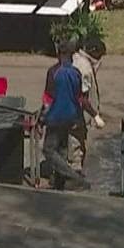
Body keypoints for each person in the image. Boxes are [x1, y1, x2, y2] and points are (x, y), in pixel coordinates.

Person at [41, 39, 90, 190]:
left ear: (58, 53)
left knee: (48, 149)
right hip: (71, 116)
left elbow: (48, 100)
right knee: (62, 149)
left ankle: (74, 178)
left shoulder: (54, 71)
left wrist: (41, 118)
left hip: (56, 116)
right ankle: (59, 182)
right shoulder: (76, 72)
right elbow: (79, 97)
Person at [69, 37, 107, 178]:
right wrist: (95, 116)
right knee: (75, 146)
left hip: (71, 113)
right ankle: (73, 177)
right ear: (93, 52)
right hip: (76, 115)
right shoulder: (84, 68)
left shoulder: (77, 59)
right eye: (100, 56)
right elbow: (82, 97)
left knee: (75, 144)